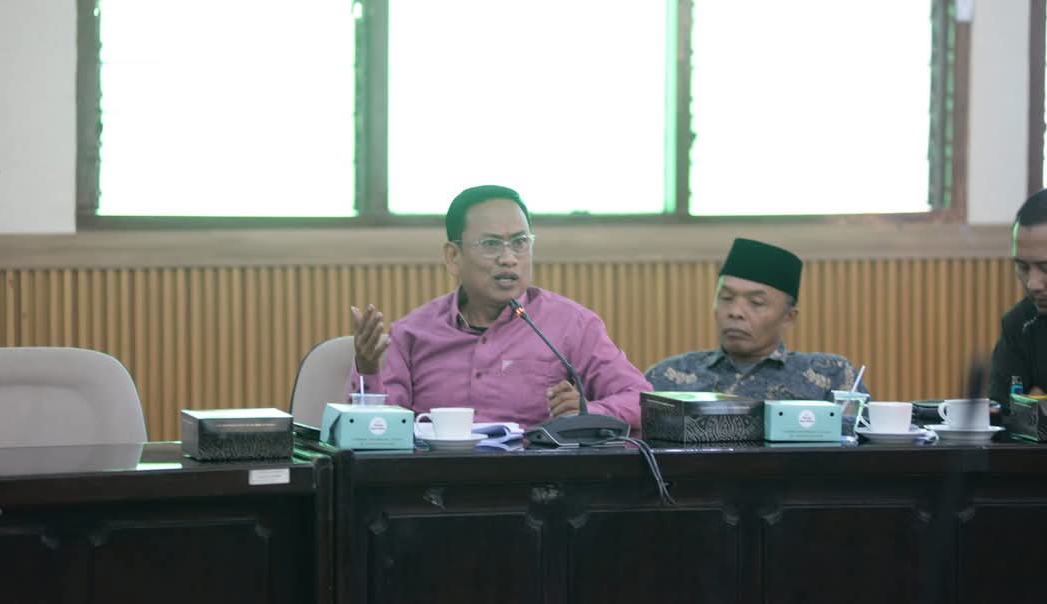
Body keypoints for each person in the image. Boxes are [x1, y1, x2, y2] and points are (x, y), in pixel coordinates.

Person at [349, 184, 652, 430]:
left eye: (520, 243)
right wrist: (368, 370)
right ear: (453, 257)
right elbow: (380, 431)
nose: (508, 259)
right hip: (438, 478)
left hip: (537, 478)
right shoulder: (412, 333)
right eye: (491, 244)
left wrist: (588, 412)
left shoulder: (572, 325)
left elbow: (641, 400)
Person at [645, 238, 858, 400]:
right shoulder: (667, 377)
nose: (735, 312)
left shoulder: (832, 376)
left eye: (756, 302)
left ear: (789, 317)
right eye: (726, 298)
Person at [989, 188, 1047, 411]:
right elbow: (1000, 414)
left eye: (1045, 268)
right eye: (1023, 267)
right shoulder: (1019, 324)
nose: (1033, 284)